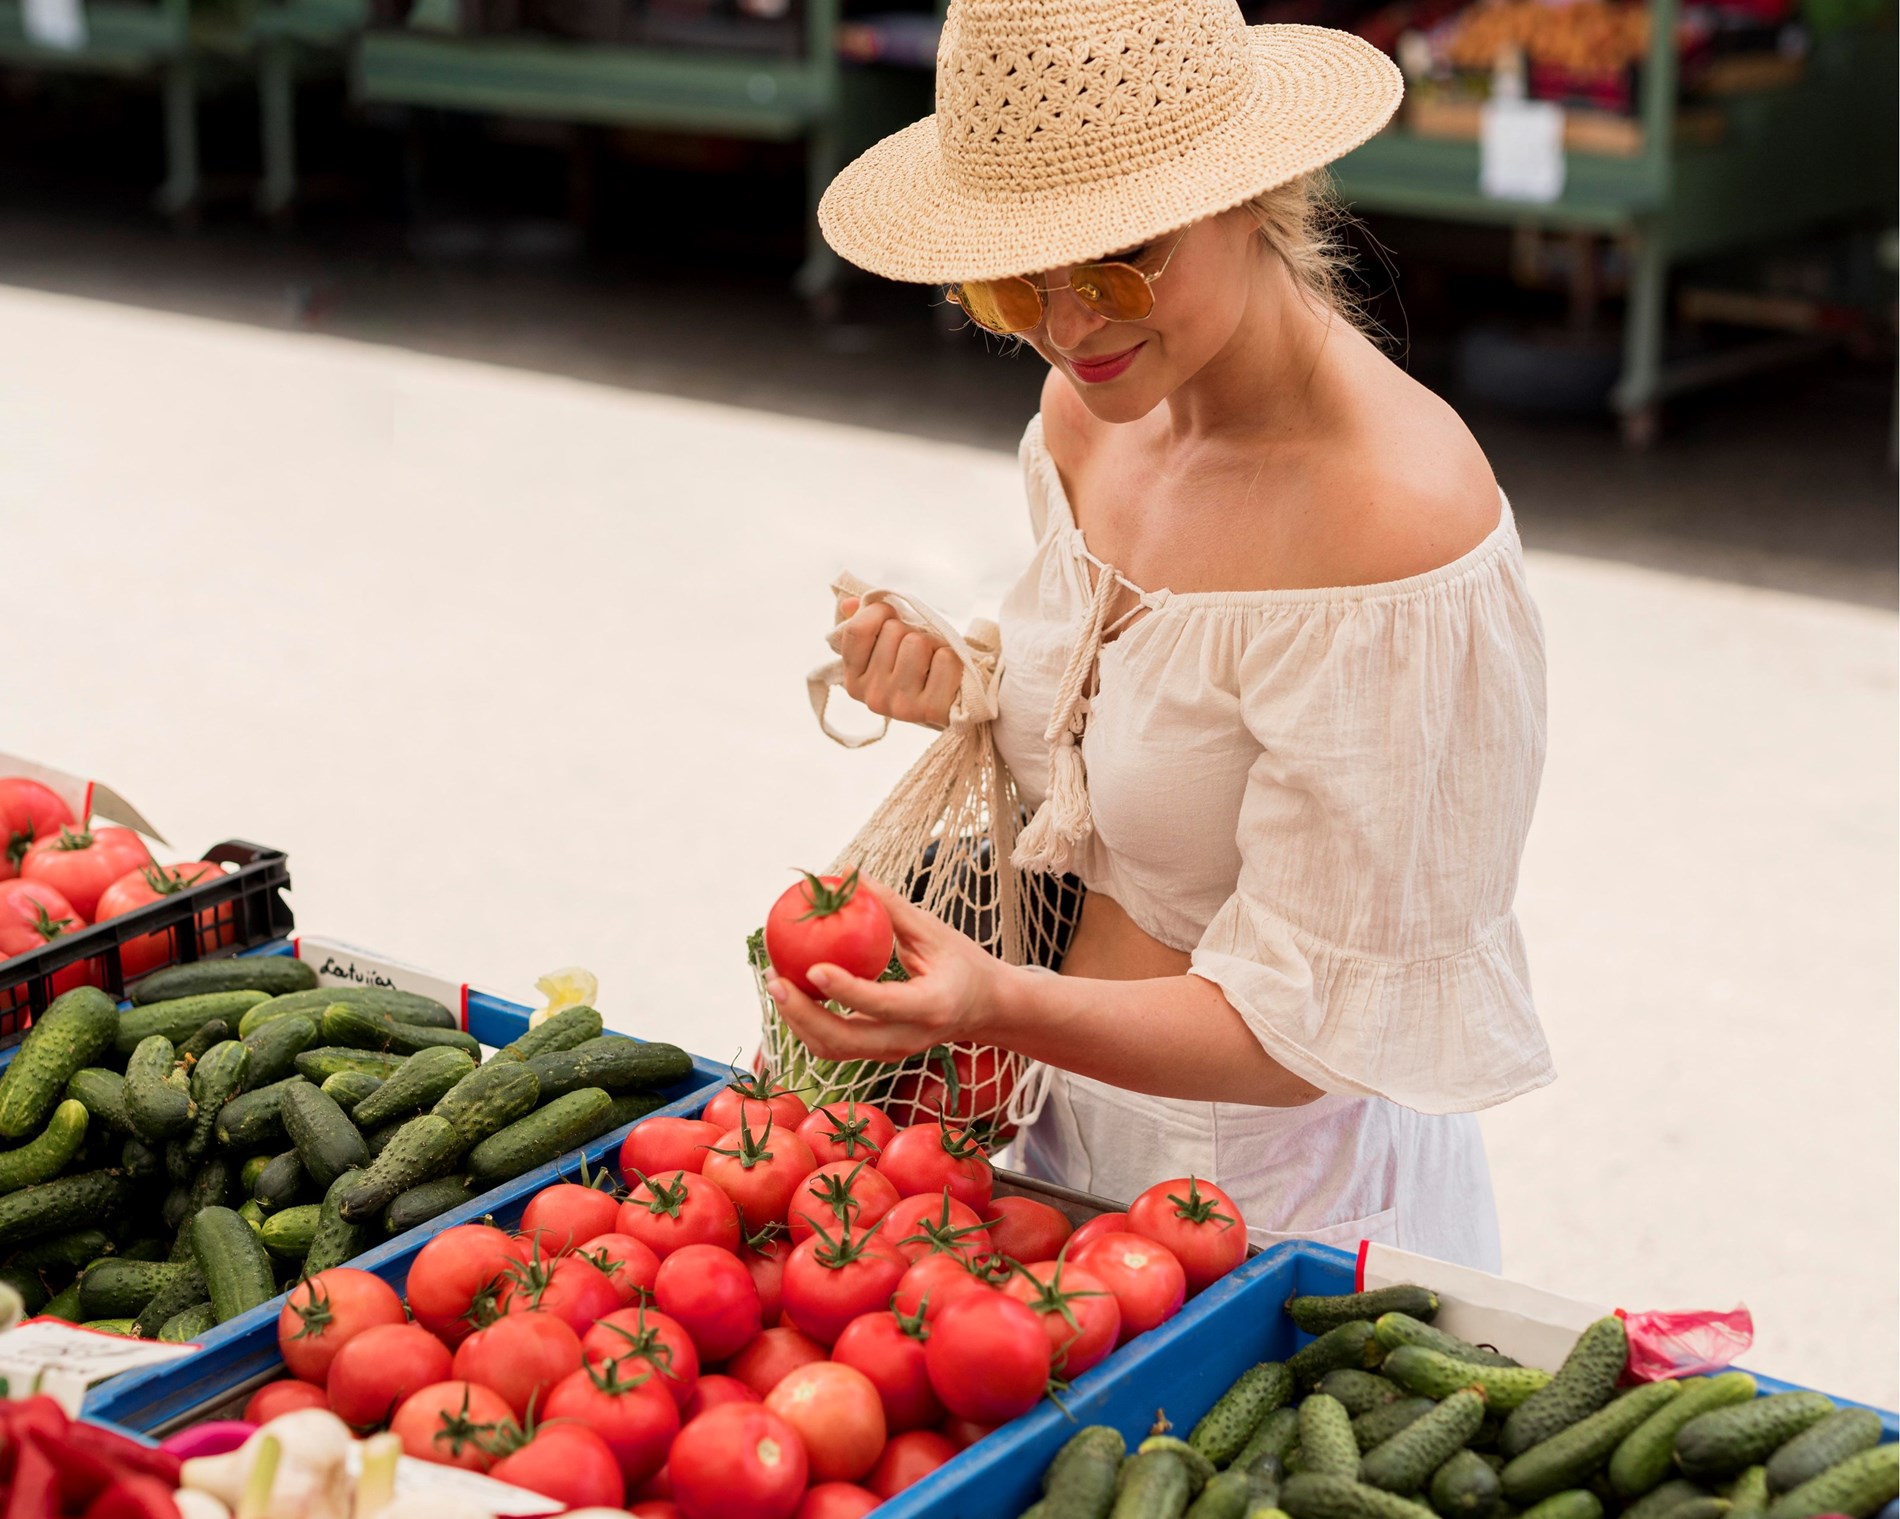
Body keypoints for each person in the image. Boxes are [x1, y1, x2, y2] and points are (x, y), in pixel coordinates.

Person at [765, 0, 1553, 1270]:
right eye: (1016, 272)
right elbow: (1129, 722)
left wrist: (991, 998)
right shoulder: (1098, 413)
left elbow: (1310, 1034)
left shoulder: (1390, 528)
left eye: (1125, 255)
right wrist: (968, 678)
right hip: (1053, 1143)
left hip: (1286, 1202)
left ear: (1254, 191)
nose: (1071, 322)